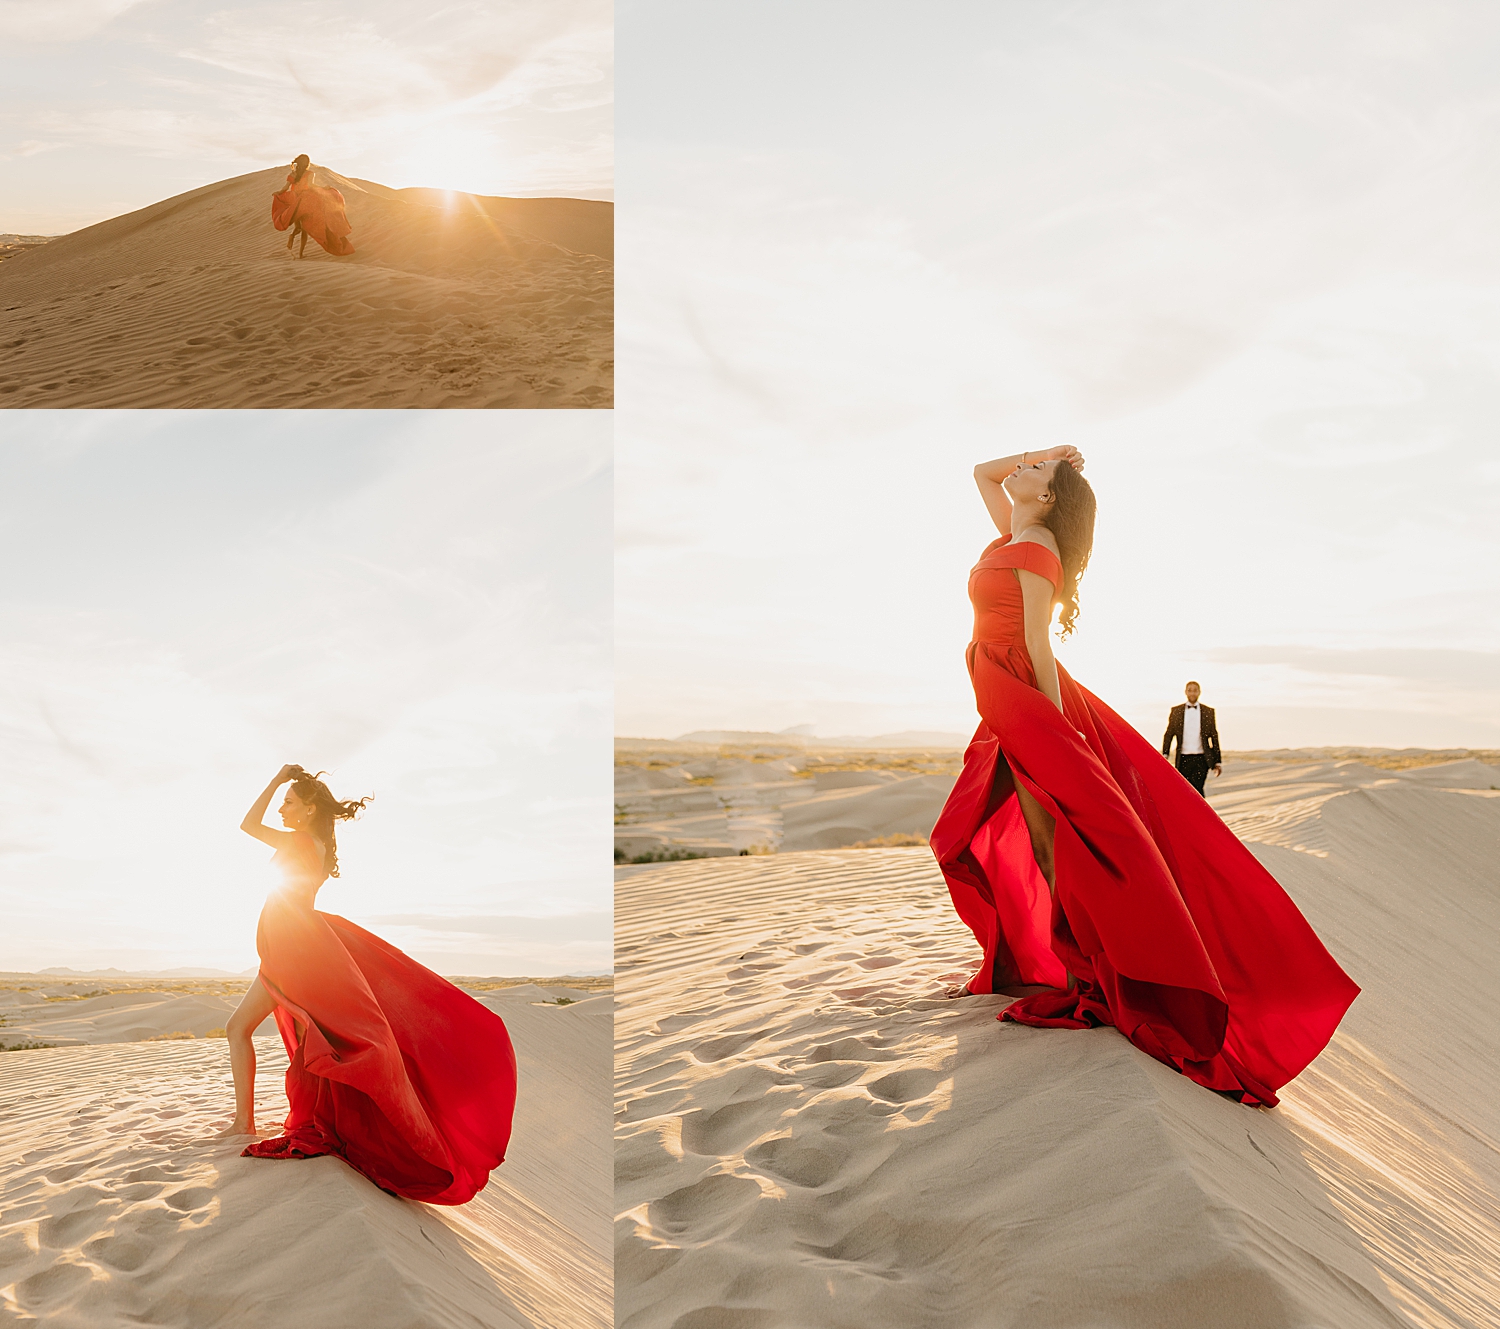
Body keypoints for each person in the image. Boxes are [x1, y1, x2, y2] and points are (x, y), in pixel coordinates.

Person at [929, 448, 1358, 1107]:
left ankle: (1098, 970)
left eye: (1038, 474)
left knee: (1055, 839)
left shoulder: (1036, 545)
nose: (1023, 471)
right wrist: (1049, 458)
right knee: (1021, 831)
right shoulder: (1014, 530)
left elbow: (1040, 646)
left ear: (1047, 500)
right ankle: (1066, 960)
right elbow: (982, 470)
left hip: (1025, 696)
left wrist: (1057, 732)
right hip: (1004, 693)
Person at [223, 764, 517, 1205]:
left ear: (307, 809)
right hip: (296, 946)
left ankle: (245, 1121)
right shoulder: (315, 841)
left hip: (294, 951)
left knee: (243, 1029)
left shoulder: (302, 840)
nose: (282, 809)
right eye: (282, 802)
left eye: (289, 802)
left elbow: (246, 825)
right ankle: (248, 1118)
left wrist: (275, 779)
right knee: (266, 1033)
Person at [270, 155, 355, 258]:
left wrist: (278, 193)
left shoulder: (293, 174)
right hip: (305, 202)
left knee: (298, 227)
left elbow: (285, 188)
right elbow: (310, 186)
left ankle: (292, 236)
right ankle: (300, 253)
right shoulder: (310, 173)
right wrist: (323, 188)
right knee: (304, 230)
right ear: (307, 163)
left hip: (294, 201)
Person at [1163, 681, 1222, 795]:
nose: (1192, 693)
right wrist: (1165, 754)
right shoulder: (1176, 711)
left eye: (1195, 690)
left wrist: (1217, 761)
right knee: (1184, 791)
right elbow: (1169, 734)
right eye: (1189, 690)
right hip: (1183, 758)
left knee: (1198, 790)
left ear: (1199, 692)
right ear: (1185, 692)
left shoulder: (1208, 712)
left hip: (1201, 758)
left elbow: (1214, 737)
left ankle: (1201, 813)